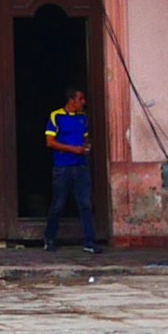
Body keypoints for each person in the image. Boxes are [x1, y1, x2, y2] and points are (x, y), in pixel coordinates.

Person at [41, 90, 98, 253]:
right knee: (58, 204)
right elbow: (50, 142)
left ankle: (89, 241)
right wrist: (73, 149)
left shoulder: (83, 118)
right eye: (80, 99)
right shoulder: (56, 116)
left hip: (81, 166)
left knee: (85, 204)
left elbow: (85, 137)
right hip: (63, 167)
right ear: (71, 100)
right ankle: (50, 238)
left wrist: (86, 147)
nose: (83, 102)